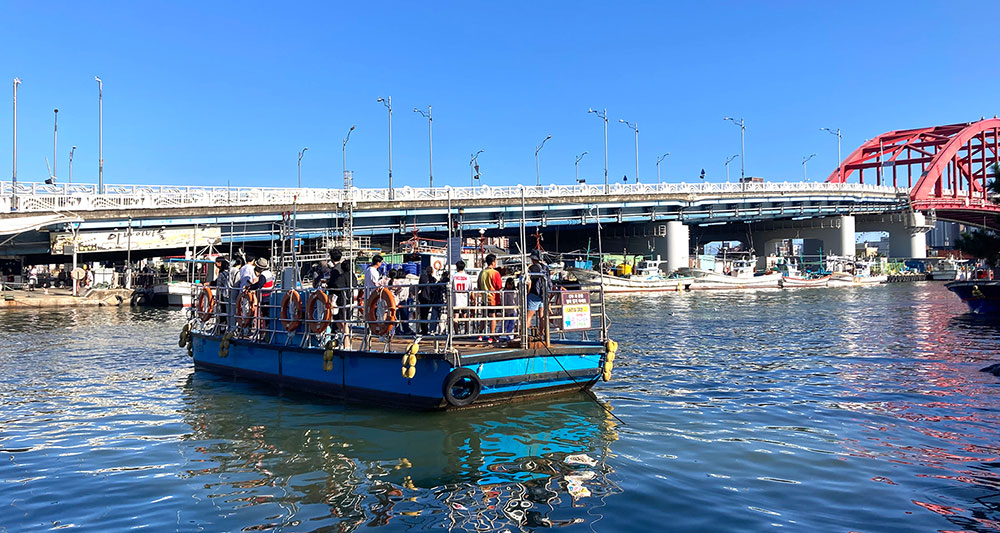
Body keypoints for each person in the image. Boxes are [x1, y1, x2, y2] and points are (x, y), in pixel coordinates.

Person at [525, 250, 550, 337]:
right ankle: (541, 334)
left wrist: (527, 293)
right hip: (543, 295)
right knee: (541, 316)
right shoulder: (545, 267)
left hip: (534, 294)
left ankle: (524, 335)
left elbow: (529, 282)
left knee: (528, 316)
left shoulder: (532, 268)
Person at [477, 254, 502, 338]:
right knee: (493, 316)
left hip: (484, 298)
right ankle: (492, 335)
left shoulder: (482, 272)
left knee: (484, 316)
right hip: (493, 298)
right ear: (493, 262)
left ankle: (480, 334)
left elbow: (478, 285)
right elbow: (499, 286)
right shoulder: (495, 273)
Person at [451, 260, 473, 335]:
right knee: (465, 315)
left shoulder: (454, 276)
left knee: (456, 316)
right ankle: (466, 331)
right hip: (465, 299)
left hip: (456, 298)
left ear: (457, 267)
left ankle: (456, 333)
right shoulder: (467, 277)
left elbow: (450, 287)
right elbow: (470, 288)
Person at [417, 264, 437, 335]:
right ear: (432, 272)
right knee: (429, 314)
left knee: (423, 315)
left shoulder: (422, 277)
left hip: (424, 298)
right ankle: (430, 329)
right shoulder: (434, 279)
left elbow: (419, 287)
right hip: (430, 298)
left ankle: (424, 329)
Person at [212, 256, 231, 323]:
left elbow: (218, 284)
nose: (215, 264)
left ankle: (222, 323)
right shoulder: (227, 272)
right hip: (227, 293)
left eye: (216, 262)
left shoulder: (222, 273)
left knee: (223, 309)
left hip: (223, 294)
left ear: (220, 263)